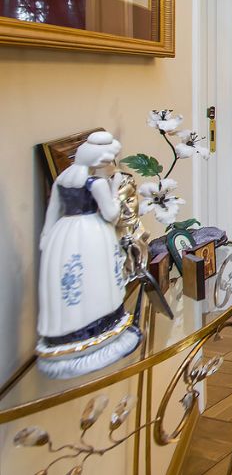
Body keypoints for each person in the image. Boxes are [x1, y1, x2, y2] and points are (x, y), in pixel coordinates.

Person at [37, 131, 141, 378]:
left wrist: (46, 239)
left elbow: (51, 214)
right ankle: (97, 328)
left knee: (76, 283)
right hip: (92, 236)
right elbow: (111, 214)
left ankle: (67, 333)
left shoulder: (62, 179)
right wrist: (115, 189)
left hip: (62, 238)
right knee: (95, 280)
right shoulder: (96, 183)